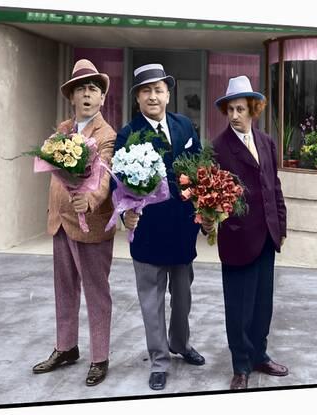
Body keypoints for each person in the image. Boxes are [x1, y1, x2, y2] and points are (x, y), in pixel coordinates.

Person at [115, 63, 204, 391]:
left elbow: (200, 168)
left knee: (182, 297)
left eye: (158, 89)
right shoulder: (128, 133)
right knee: (151, 301)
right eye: (146, 91)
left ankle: (180, 343)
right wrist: (125, 213)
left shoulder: (184, 125)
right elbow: (117, 183)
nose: (153, 96)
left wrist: (205, 208)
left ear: (168, 93)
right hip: (149, 231)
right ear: (138, 98)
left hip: (182, 230)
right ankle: (159, 360)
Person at [32, 59, 116, 387]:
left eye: (92, 89)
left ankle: (100, 357)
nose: (86, 94)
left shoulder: (107, 134)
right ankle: (66, 347)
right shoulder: (63, 130)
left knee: (96, 292)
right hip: (60, 222)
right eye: (80, 88)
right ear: (72, 96)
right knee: (64, 289)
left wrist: (90, 198)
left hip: (90, 223)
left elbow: (105, 174)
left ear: (102, 98)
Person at [203, 75, 288, 390]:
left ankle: (259, 356)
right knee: (238, 307)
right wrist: (208, 221)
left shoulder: (266, 142)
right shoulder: (218, 147)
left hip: (267, 236)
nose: (235, 115)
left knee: (262, 304)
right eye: (230, 110)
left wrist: (280, 223)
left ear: (253, 109)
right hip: (238, 238)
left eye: (241, 109)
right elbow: (206, 197)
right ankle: (240, 366)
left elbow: (274, 186)